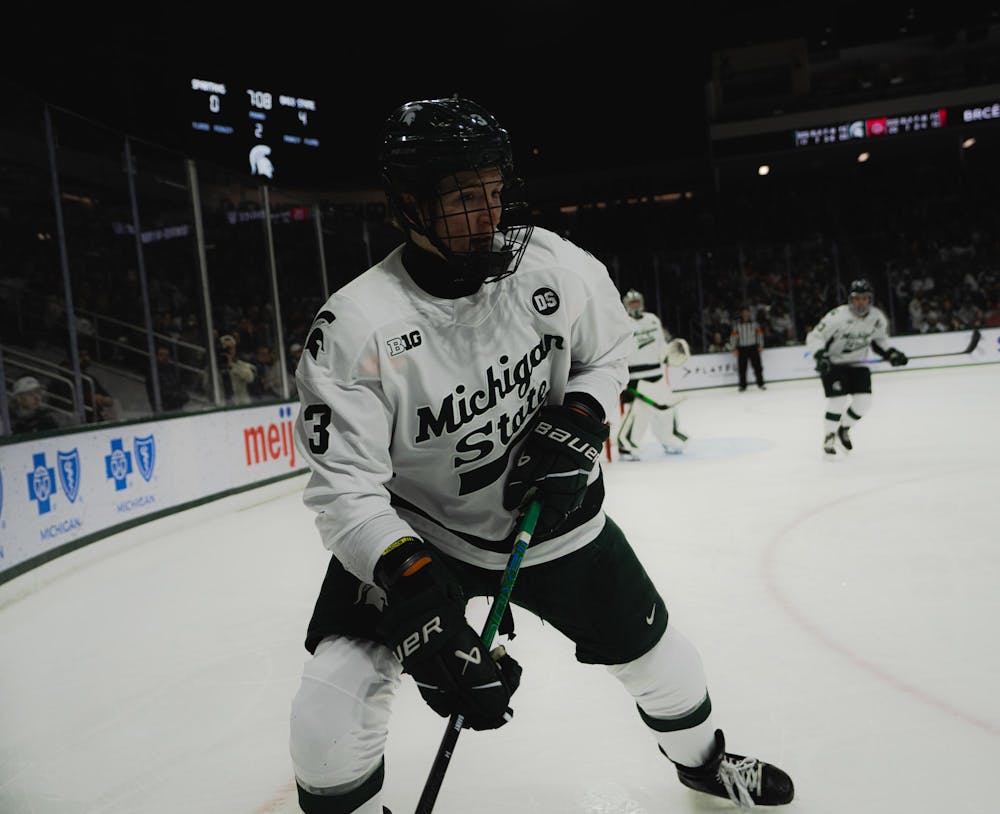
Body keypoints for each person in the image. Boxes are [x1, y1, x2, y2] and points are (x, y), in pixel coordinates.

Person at [288, 97, 793, 814]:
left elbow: (611, 352)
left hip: (559, 523)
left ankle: (705, 765)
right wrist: (415, 591)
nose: (489, 215)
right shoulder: (357, 327)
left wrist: (584, 416)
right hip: (427, 539)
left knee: (666, 665)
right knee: (327, 711)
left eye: (494, 191)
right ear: (408, 204)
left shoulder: (550, 263)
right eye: (466, 198)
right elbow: (345, 493)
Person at [806, 278, 908, 454]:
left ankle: (843, 428)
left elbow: (879, 341)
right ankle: (829, 435)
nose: (860, 302)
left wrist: (891, 353)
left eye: (864, 298)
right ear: (850, 299)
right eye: (857, 298)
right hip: (834, 364)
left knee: (864, 402)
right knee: (837, 401)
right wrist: (820, 356)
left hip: (858, 364)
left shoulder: (876, 318)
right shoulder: (837, 316)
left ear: (870, 299)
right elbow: (815, 337)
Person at [615, 289, 691, 459]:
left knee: (667, 409)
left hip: (657, 374)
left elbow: (661, 344)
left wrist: (669, 353)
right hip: (635, 377)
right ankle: (626, 445)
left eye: (637, 302)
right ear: (626, 305)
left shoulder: (652, 319)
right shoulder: (621, 323)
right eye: (631, 303)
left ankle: (668, 438)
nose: (635, 306)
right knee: (640, 412)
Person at [202, 333, 255, 405]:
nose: (227, 351)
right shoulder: (212, 368)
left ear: (235, 349)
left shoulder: (241, 365)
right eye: (224, 348)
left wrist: (232, 367)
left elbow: (250, 378)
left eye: (229, 348)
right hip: (222, 405)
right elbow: (206, 387)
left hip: (241, 405)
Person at [145, 344, 190, 412]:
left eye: (167, 355)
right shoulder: (153, 373)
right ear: (156, 356)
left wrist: (182, 396)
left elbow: (179, 386)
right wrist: (180, 396)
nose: (164, 357)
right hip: (163, 410)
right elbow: (163, 393)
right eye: (161, 355)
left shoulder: (171, 370)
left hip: (175, 408)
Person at [730, 307, 765, 391]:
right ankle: (742, 386)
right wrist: (734, 348)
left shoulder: (755, 324)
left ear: (749, 314)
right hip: (742, 348)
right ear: (742, 314)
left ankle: (760, 384)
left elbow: (759, 335)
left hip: (753, 347)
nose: (745, 315)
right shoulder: (737, 325)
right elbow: (733, 337)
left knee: (757, 367)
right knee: (742, 368)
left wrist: (761, 345)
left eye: (747, 313)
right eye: (744, 313)